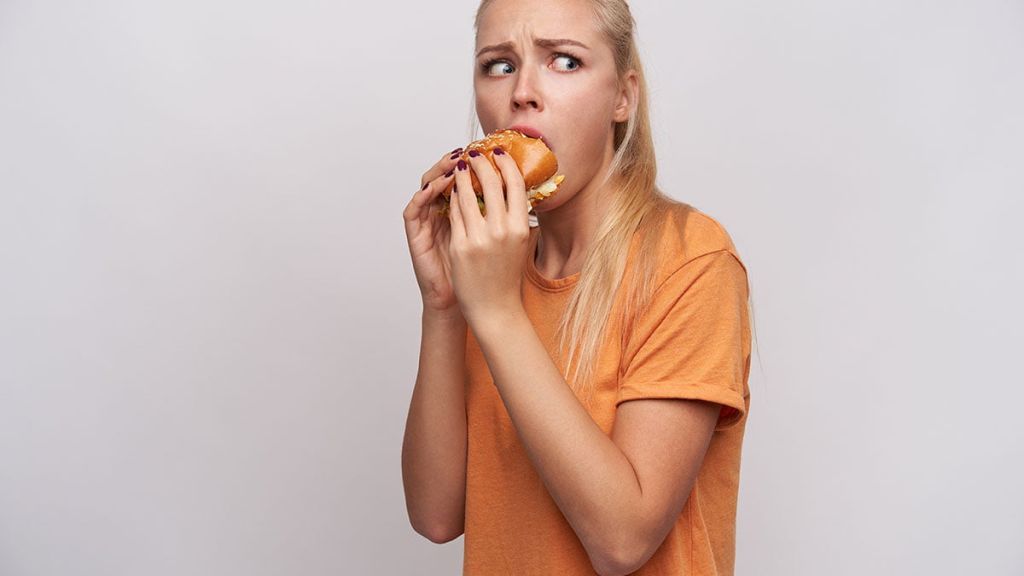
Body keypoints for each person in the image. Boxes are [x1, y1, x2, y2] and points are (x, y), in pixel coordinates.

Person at [401, 0, 754, 574]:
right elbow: (436, 515)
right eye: (498, 65)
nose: (522, 92)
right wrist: (443, 304)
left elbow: (623, 541)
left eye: (564, 61)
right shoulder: (494, 262)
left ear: (624, 96)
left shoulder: (691, 258)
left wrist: (494, 311)